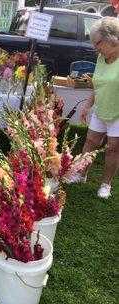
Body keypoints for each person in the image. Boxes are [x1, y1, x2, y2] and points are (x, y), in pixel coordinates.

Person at [70, 17, 119, 199]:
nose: (95, 48)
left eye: (97, 43)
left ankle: (106, 185)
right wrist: (87, 107)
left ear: (112, 38)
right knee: (90, 142)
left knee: (113, 149)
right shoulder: (100, 58)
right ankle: (81, 175)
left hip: (117, 113)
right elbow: (98, 86)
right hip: (100, 109)